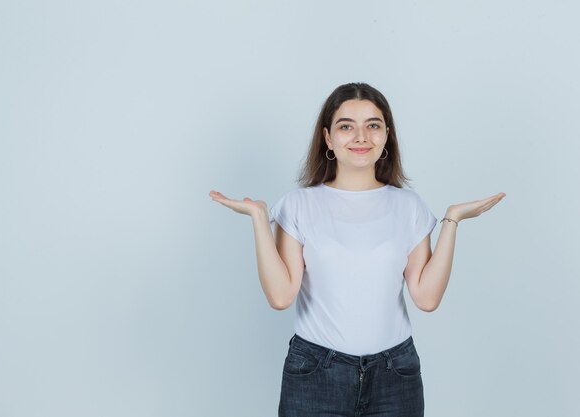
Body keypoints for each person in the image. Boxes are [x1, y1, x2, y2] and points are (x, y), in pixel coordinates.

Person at [209, 82, 505, 417]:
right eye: (346, 126)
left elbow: (426, 297)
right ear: (328, 139)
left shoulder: (408, 206)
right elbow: (280, 297)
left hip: (396, 374)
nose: (361, 137)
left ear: (386, 136)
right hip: (315, 373)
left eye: (373, 125)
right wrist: (260, 219)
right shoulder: (299, 205)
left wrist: (452, 220)